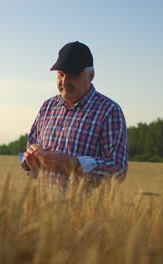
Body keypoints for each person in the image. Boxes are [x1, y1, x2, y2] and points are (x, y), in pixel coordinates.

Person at [20, 41, 128, 191]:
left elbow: (118, 170)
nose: (64, 81)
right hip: (43, 210)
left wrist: (74, 164)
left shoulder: (109, 111)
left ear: (91, 76)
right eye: (60, 75)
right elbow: (28, 159)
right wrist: (32, 158)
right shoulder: (47, 107)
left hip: (86, 212)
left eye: (72, 76)